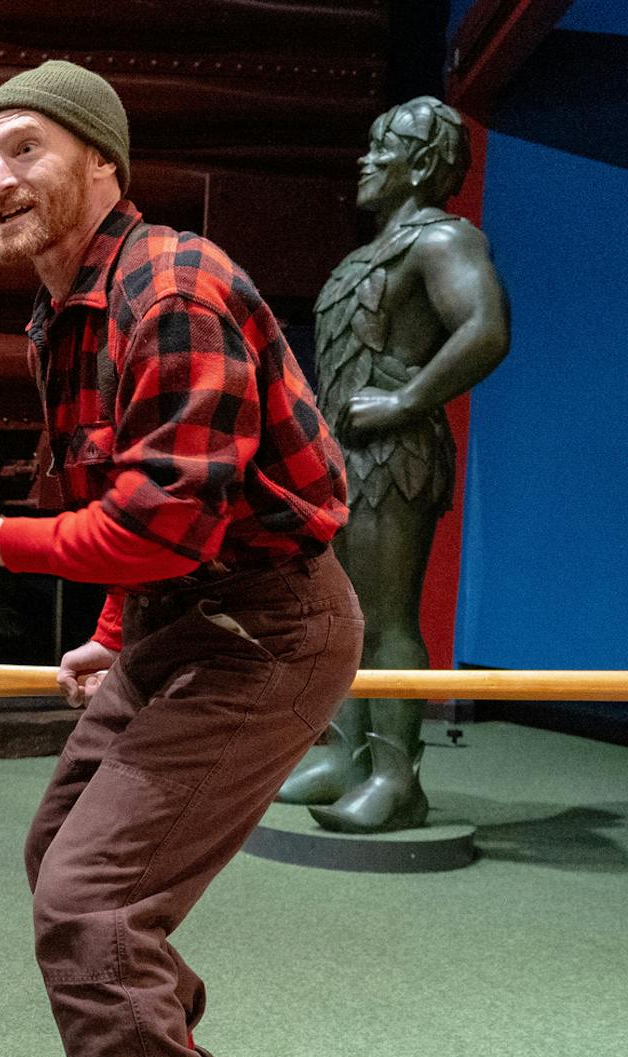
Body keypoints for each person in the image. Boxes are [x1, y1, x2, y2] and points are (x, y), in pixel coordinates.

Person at [0, 60, 359, 1057]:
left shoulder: (170, 284)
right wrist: (111, 634)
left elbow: (163, 517)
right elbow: (138, 489)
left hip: (263, 630)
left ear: (104, 163)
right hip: (184, 616)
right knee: (52, 852)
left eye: (26, 151)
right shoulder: (63, 313)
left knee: (94, 905)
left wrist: (5, 544)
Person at [280, 97, 508, 832]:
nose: (366, 160)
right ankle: (343, 754)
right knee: (342, 617)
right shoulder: (365, 256)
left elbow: (485, 329)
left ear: (422, 164)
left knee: (386, 617)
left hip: (394, 457)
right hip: (345, 457)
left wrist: (407, 398)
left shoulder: (442, 241)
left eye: (384, 149)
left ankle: (395, 775)